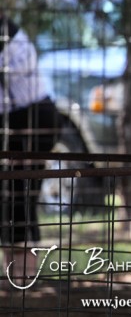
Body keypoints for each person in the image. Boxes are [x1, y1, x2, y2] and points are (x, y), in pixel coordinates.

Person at [0, 15, 63, 281]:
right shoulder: (10, 31)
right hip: (20, 119)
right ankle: (17, 276)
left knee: (19, 197)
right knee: (13, 197)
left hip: (30, 118)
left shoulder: (7, 33)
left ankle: (22, 277)